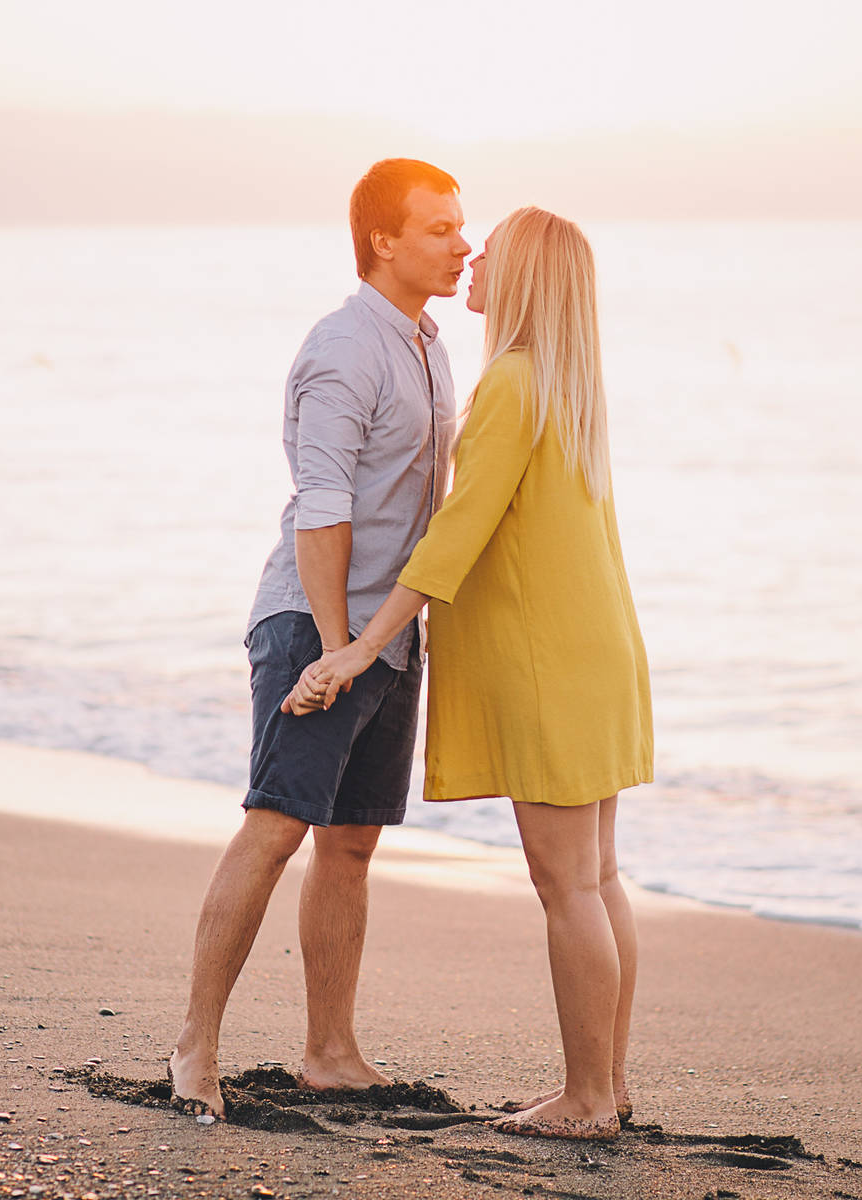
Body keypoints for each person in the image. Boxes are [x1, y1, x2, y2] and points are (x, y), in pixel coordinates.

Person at [286, 206, 653, 1141]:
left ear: (525, 275)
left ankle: (584, 1101)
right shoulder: (569, 384)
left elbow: (458, 532)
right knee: (598, 879)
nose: (473, 257)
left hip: (548, 665)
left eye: (491, 249)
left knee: (567, 885)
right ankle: (606, 1087)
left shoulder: (513, 383)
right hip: (599, 653)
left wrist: (364, 644)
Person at [166, 159, 469, 1119]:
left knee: (350, 845)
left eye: (461, 227)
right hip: (315, 619)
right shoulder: (345, 348)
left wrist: (385, 642)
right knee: (276, 822)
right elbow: (323, 509)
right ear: (383, 240)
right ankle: (194, 1045)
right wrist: (336, 648)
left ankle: (330, 1051)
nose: (463, 244)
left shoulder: (428, 341)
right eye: (439, 229)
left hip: (385, 632)